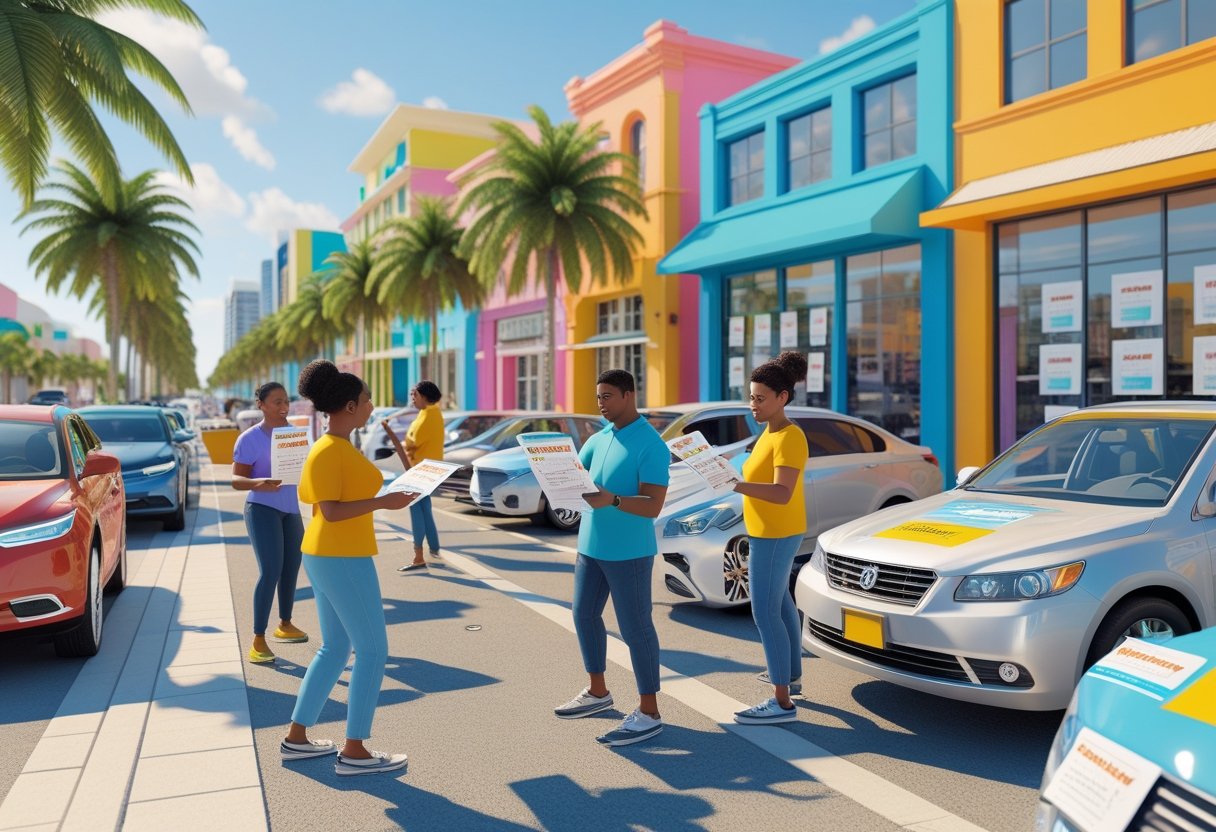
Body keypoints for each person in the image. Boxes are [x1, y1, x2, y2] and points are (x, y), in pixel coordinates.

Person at [280, 360, 416, 776]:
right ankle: (355, 751)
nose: (373, 404)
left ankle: (297, 738)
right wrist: (383, 502)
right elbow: (332, 511)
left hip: (331, 554)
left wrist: (393, 493)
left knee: (336, 648)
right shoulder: (328, 449)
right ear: (352, 405)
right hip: (341, 555)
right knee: (373, 650)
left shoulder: (334, 445)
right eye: (369, 398)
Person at [553, 369, 670, 747]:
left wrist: (615, 499)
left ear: (628, 395)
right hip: (591, 546)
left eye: (607, 396)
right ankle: (598, 692)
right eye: (598, 396)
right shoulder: (598, 438)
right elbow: (579, 480)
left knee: (636, 629)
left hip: (629, 553)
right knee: (583, 615)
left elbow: (653, 505)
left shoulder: (651, 444)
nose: (600, 403)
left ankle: (649, 711)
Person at [730, 352, 810, 725]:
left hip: (776, 533)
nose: (753, 405)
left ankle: (781, 702)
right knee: (780, 605)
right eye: (751, 397)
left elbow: (781, 492)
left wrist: (735, 484)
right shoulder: (770, 433)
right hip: (769, 531)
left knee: (763, 611)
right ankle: (789, 678)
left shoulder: (790, 438)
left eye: (760, 398)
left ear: (783, 397)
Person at [231, 382, 307, 664]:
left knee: (290, 570)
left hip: (291, 510)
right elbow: (236, 480)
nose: (283, 406)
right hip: (262, 508)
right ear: (261, 404)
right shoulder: (250, 438)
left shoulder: (295, 435)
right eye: (276, 401)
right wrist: (257, 483)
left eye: (286, 401)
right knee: (271, 570)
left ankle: (285, 625)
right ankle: (258, 639)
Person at [394, 381, 445, 571]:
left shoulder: (429, 415)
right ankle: (433, 548)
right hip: (426, 469)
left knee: (416, 510)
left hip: (421, 471)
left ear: (424, 396)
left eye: (414, 395)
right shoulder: (430, 413)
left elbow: (413, 440)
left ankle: (418, 556)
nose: (413, 399)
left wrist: (406, 441)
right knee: (424, 508)